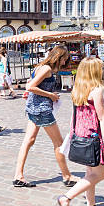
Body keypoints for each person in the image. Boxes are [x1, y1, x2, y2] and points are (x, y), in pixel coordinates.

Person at [57, 57, 104, 206]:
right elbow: (102, 118)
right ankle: (66, 197)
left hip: (81, 134)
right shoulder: (96, 90)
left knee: (90, 173)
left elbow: (73, 116)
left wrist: (72, 134)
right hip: (93, 136)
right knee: (98, 175)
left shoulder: (77, 89)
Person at [13, 45, 76, 188]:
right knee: (59, 144)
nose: (64, 63)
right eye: (64, 59)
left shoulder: (40, 66)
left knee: (28, 141)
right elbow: (30, 86)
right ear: (59, 57)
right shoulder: (47, 69)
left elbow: (30, 84)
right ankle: (67, 176)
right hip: (42, 110)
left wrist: (31, 94)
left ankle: (18, 176)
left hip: (32, 108)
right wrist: (51, 95)